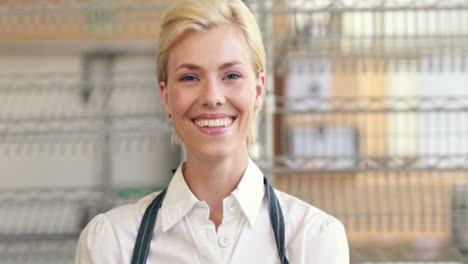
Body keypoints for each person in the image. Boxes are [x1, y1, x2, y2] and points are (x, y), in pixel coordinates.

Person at [74, 0, 349, 263]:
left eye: (231, 75)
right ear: (167, 96)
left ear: (258, 90)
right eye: (190, 77)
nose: (212, 96)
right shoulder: (112, 242)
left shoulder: (313, 239)